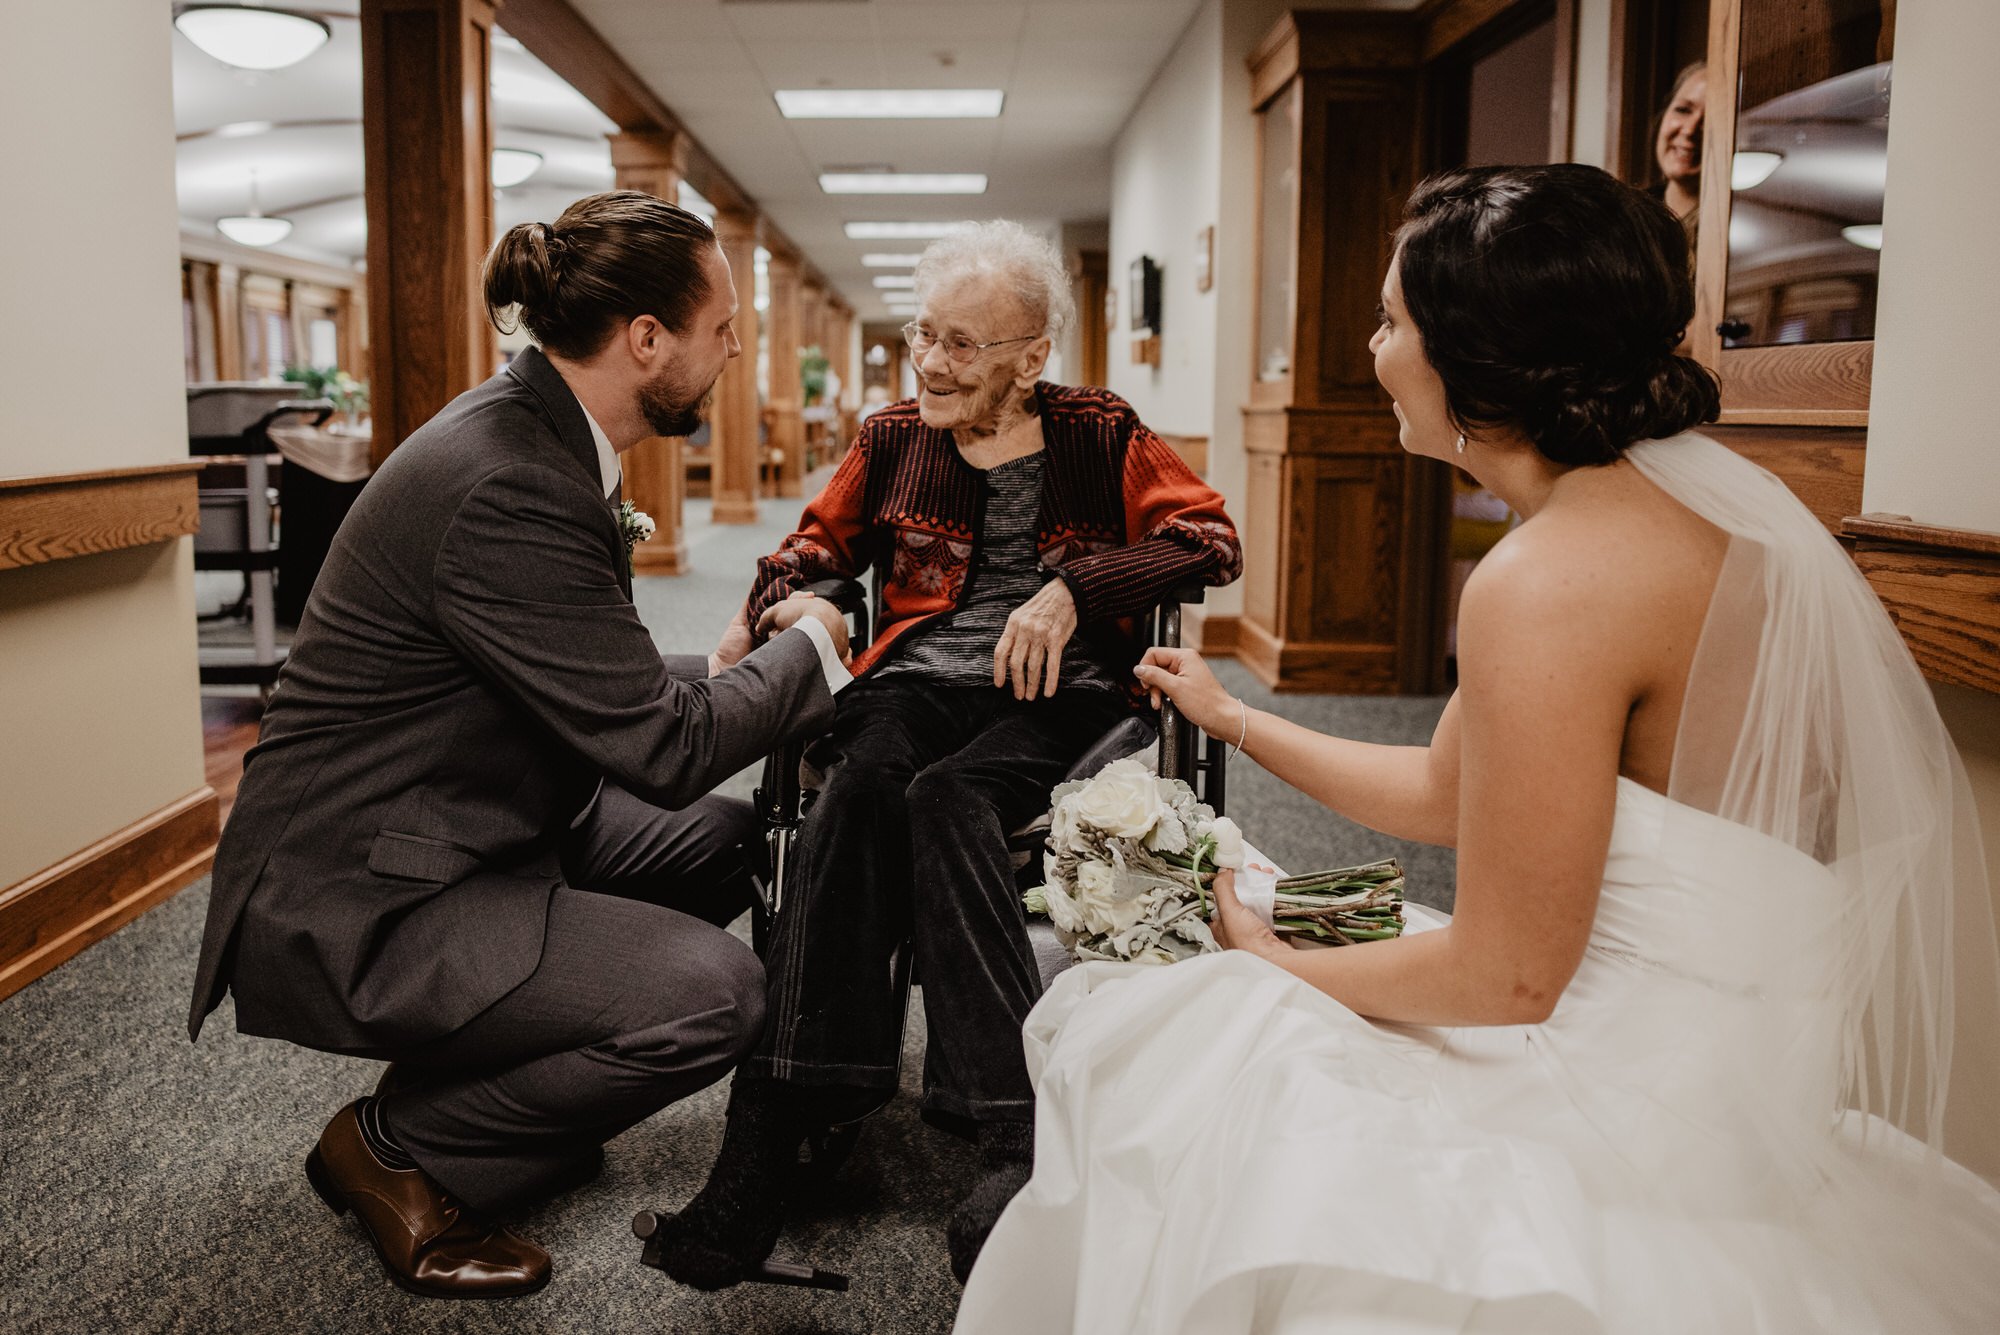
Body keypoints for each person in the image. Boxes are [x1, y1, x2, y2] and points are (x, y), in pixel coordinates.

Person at [955, 164, 2000, 1333]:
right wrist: (1235, 716)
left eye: (1392, 320)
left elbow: (1506, 979)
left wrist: (1261, 962)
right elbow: (1452, 795)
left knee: (1190, 1044)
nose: (1372, 350)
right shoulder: (1668, 516)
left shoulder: (1544, 582)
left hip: (1630, 1089)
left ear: (1477, 355)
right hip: (1732, 1055)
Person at [187, 191, 856, 1300]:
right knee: (717, 994)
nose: (738, 345)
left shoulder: (536, 427)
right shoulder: (512, 478)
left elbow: (587, 675)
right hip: (367, 886)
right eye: (722, 323)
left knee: (723, 840)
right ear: (646, 340)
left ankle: (513, 1067)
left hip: (474, 809)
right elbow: (660, 747)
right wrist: (814, 654)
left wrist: (728, 663)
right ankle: (401, 1143)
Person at [656, 221, 1242, 1289]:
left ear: (1031, 355)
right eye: (924, 335)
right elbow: (806, 553)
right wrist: (790, 600)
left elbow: (1209, 541)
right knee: (866, 784)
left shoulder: (1098, 431)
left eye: (965, 346)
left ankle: (1009, 1133)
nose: (930, 361)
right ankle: (772, 1129)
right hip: (917, 679)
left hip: (1059, 695)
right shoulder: (890, 438)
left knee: (949, 799)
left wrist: (1077, 589)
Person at [1652, 61, 1705, 235]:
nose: (1690, 130)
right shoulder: (1623, 216)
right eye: (1683, 110)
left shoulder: (1737, 224)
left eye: (1711, 118)